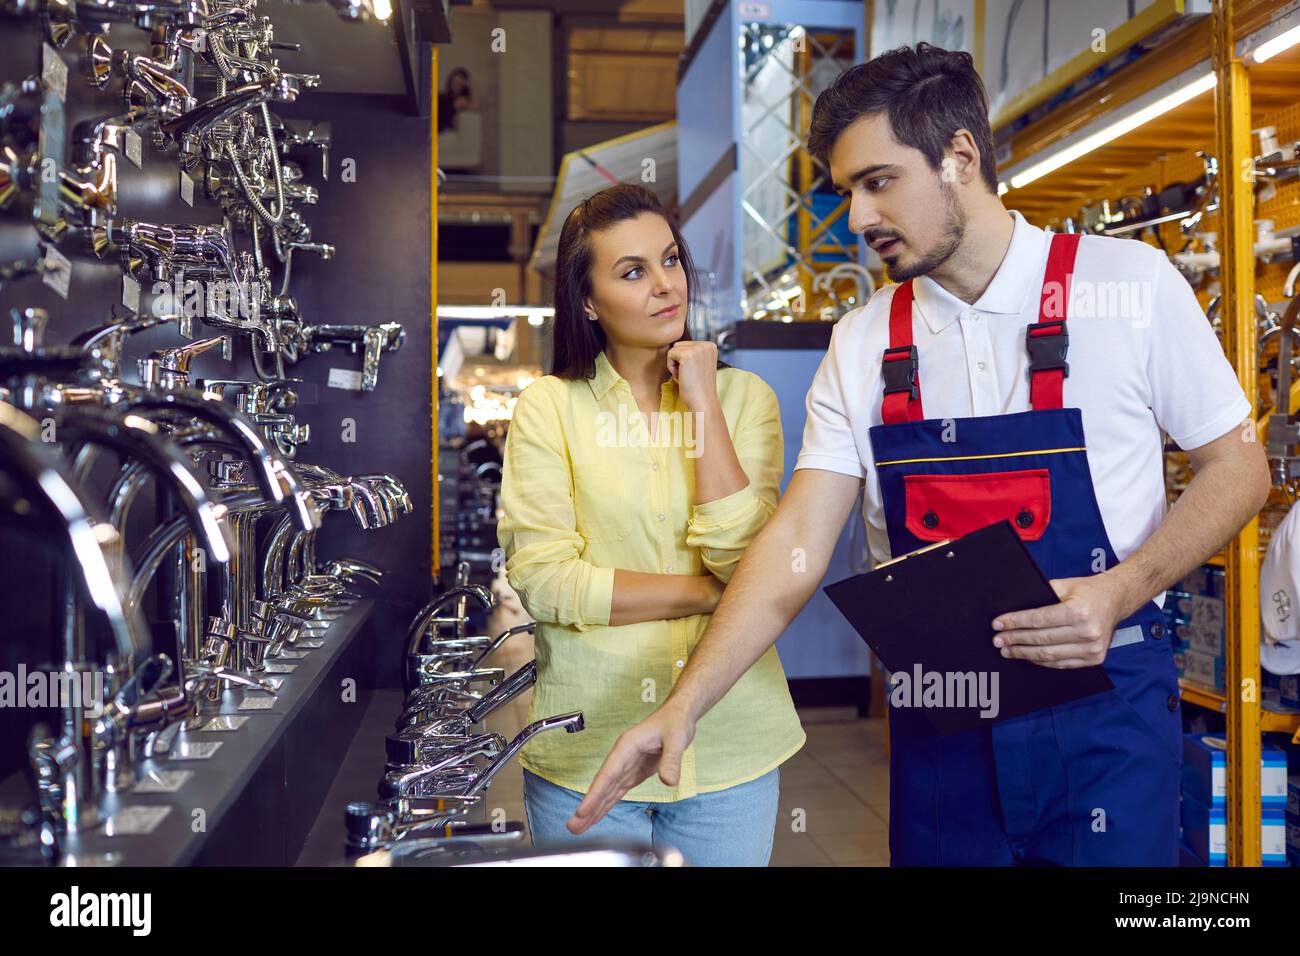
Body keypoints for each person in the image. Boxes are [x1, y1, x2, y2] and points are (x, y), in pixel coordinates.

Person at [568, 44, 1271, 866]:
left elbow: (1240, 466)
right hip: (943, 727)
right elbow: (795, 550)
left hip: (1107, 717)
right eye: (847, 191)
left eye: (879, 181)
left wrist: (1123, 588)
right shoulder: (863, 342)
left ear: (960, 158)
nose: (858, 217)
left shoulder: (1129, 286)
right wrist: (684, 705)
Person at [496, 183, 805, 866]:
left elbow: (740, 556)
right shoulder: (551, 408)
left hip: (730, 744)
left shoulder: (742, 398)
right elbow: (546, 582)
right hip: (588, 741)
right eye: (633, 272)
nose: (666, 285)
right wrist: (707, 596)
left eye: (670, 261)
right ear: (586, 301)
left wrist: (699, 397)